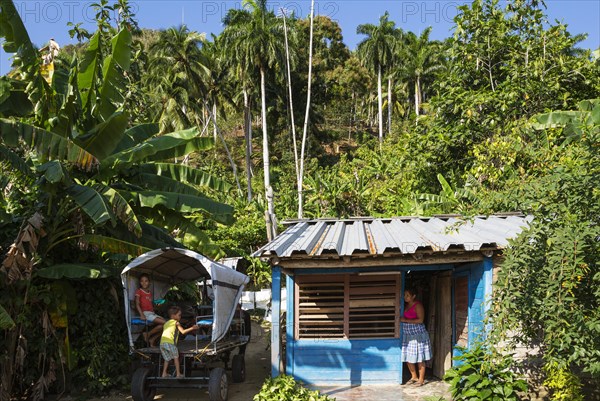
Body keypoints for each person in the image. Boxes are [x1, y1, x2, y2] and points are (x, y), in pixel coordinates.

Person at [400, 287, 432, 386]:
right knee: (408, 357)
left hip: (418, 336)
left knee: (419, 358)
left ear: (413, 296)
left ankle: (421, 380)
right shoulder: (406, 305)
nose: (405, 297)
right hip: (408, 335)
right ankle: (414, 377)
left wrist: (405, 320)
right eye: (404, 295)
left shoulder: (418, 306)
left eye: (407, 295)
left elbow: (420, 320)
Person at [160, 306, 198, 378]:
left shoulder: (166, 323)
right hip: (170, 343)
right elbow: (183, 332)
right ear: (173, 316)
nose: (180, 317)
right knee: (176, 357)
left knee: (167, 359)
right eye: (179, 315)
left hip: (162, 343)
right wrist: (192, 328)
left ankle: (164, 373)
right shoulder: (176, 323)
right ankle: (178, 374)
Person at [135, 273, 166, 346]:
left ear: (149, 282)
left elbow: (150, 305)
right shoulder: (139, 291)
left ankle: (151, 338)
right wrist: (141, 314)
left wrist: (157, 305)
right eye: (142, 281)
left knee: (165, 325)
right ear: (140, 282)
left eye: (146, 281)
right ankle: (147, 334)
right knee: (166, 323)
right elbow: (137, 304)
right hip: (145, 313)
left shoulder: (149, 293)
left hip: (152, 313)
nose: (144, 283)